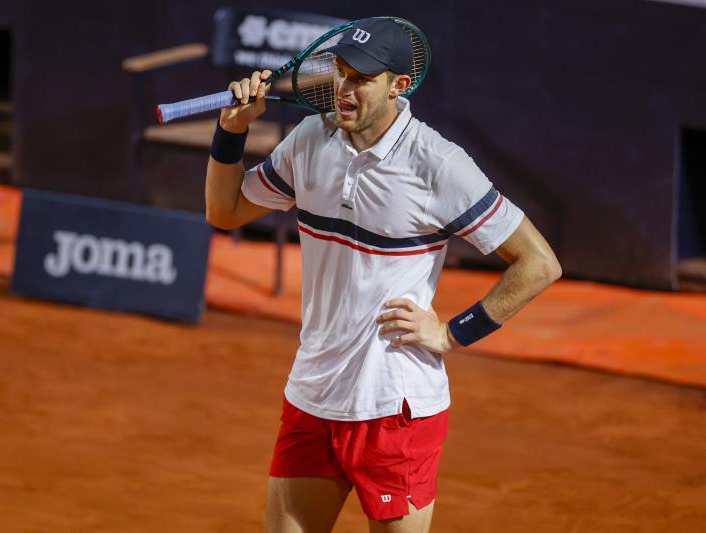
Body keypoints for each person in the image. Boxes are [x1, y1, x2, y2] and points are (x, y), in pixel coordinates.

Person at [205, 17, 561, 533]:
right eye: (340, 72)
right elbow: (226, 211)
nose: (343, 89)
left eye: (361, 79)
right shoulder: (309, 138)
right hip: (312, 394)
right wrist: (231, 131)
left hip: (395, 408)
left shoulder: (437, 164)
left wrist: (451, 333)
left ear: (399, 85)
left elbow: (538, 263)